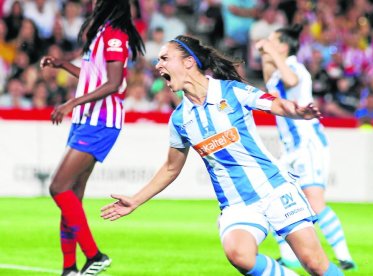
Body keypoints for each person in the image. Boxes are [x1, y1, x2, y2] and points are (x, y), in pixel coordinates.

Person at [101, 35, 343, 276]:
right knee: (240, 255)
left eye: (165, 58)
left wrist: (297, 111)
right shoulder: (179, 119)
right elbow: (171, 168)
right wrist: (136, 200)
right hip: (237, 204)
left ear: (188, 62)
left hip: (275, 189)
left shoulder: (232, 91)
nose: (158, 65)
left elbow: (276, 104)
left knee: (315, 264)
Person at [39, 0, 145, 275]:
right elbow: (93, 76)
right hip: (87, 120)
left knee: (58, 187)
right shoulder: (103, 32)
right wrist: (63, 65)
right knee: (71, 194)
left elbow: (112, 83)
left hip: (100, 122)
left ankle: (94, 255)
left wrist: (70, 103)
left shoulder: (114, 35)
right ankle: (69, 268)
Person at [256, 24, 357, 270]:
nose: (267, 43)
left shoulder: (294, 66)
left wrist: (273, 52)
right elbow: (271, 78)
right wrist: (265, 53)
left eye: (272, 40)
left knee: (314, 201)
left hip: (307, 143)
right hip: (290, 147)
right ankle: (289, 258)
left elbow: (291, 81)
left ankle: (344, 258)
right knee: (279, 198)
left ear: (284, 46)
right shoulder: (279, 69)